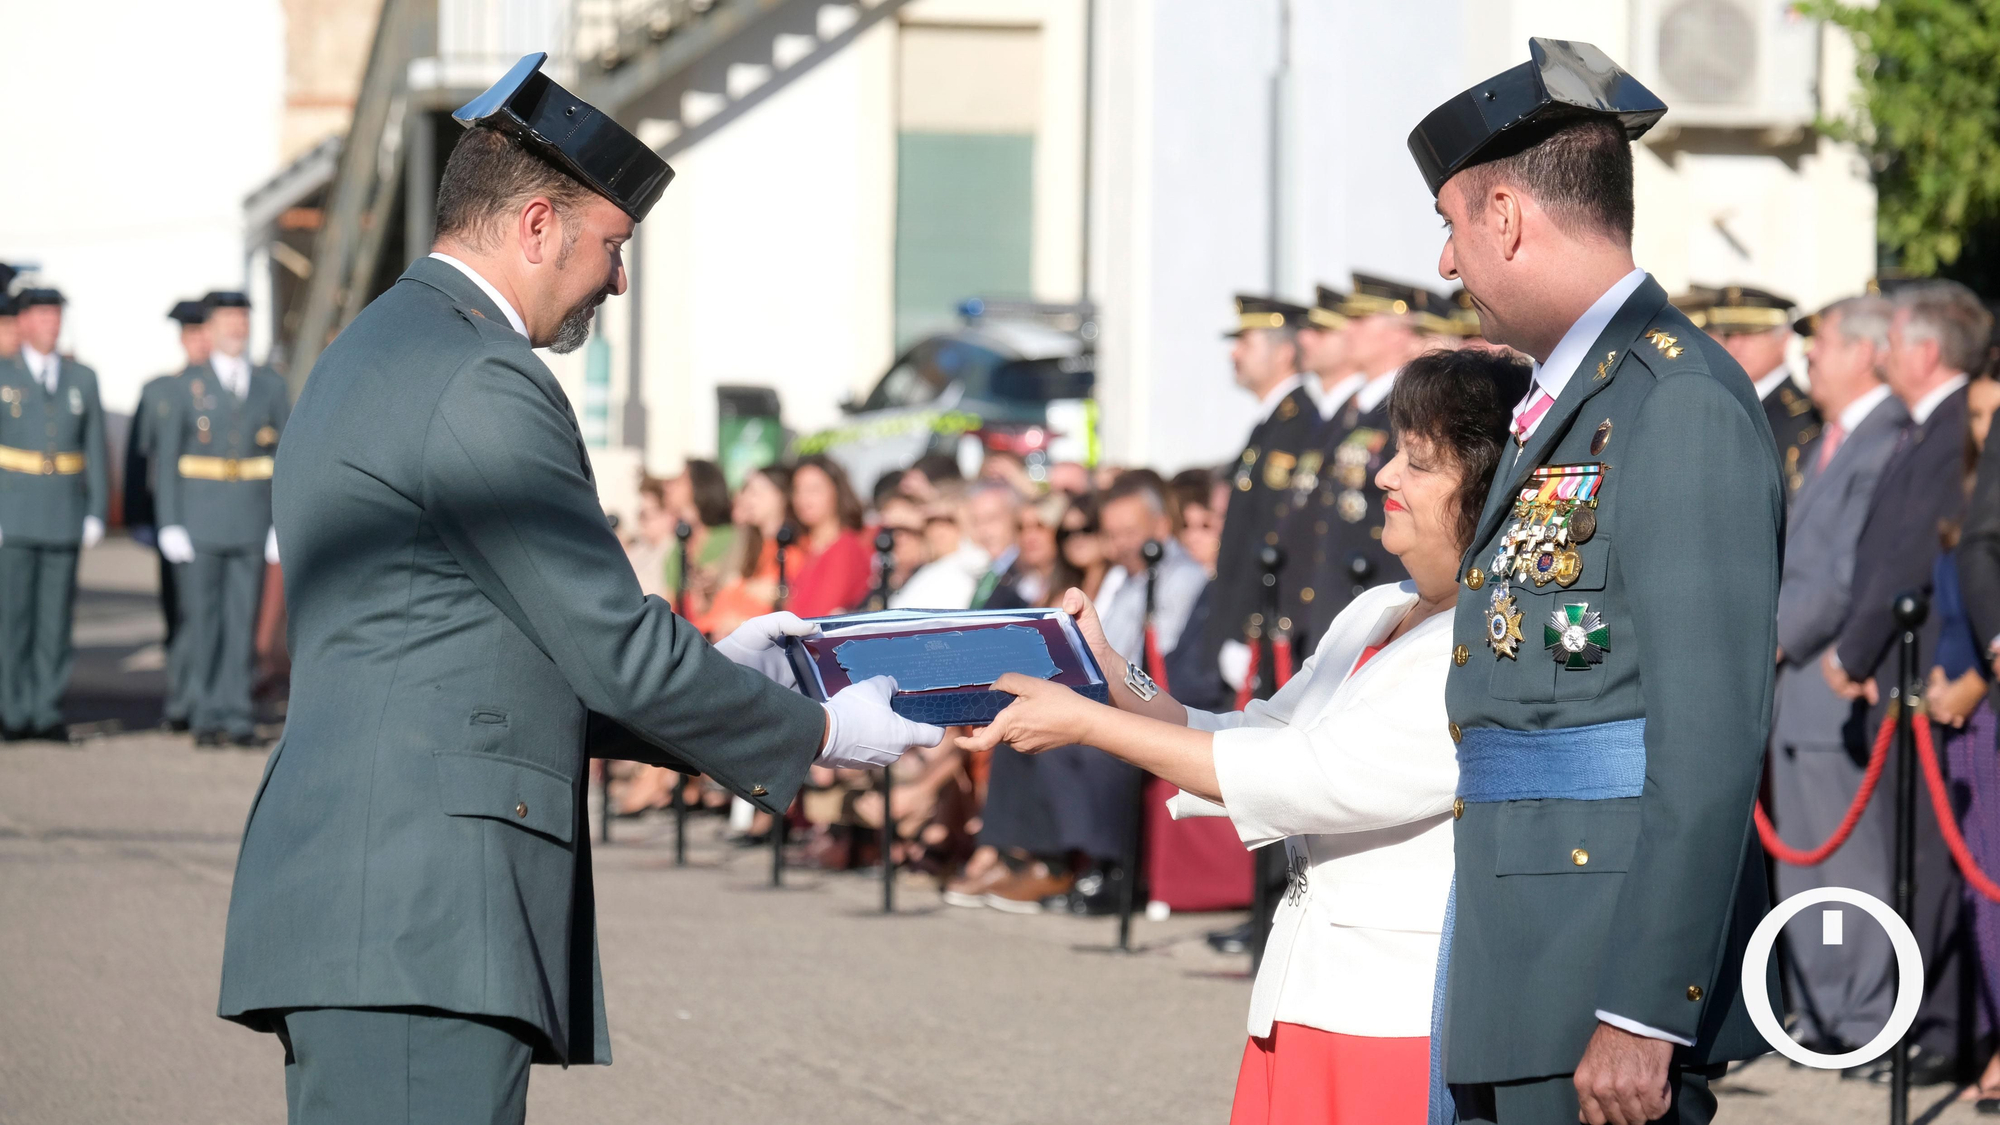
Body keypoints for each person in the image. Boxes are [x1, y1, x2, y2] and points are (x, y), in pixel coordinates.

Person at [214, 55, 940, 1122]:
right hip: (422, 914)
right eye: (612, 246)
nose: (617, 279)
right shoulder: (482, 376)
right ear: (539, 225)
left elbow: (474, 649)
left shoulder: (379, 344)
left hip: (376, 903)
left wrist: (719, 673)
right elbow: (607, 640)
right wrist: (818, 732)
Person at [962, 351, 1522, 1123]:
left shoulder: (1484, 644)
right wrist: (1114, 674)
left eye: (1417, 462)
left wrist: (1090, 723)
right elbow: (1251, 730)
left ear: (1489, 489)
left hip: (1393, 1013)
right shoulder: (1378, 608)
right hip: (1305, 990)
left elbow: (1308, 775)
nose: (1385, 476)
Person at [1413, 38, 1781, 1123]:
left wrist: (1644, 1005)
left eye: (1448, 225)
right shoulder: (1571, 397)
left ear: (1506, 217)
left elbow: (1708, 733)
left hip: (1595, 966)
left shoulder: (1678, 405)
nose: (1444, 263)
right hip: (1523, 939)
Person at [1826, 279, 1993, 1084]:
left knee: (1935, 859)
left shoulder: (1958, 422)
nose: (1883, 353)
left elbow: (1912, 559)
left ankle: (1944, 1028)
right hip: (1905, 664)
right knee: (1913, 859)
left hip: (1934, 663)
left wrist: (1853, 654)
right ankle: (1921, 1019)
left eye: (1893, 340)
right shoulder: (1924, 426)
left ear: (1926, 350)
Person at [1764, 295, 1905, 1060]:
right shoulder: (1831, 439)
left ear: (1866, 353)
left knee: (1848, 864)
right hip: (1799, 687)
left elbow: (1847, 577)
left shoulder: (1884, 439)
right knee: (1806, 861)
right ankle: (1823, 1013)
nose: (1807, 356)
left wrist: (1763, 642)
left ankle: (1861, 1017)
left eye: (1823, 344)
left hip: (1829, 677)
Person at [970, 473, 1209, 913]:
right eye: (1112, 534)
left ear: (1159, 527)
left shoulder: (1179, 579)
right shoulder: (1130, 577)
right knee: (1020, 728)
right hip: (1114, 689)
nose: (1118, 544)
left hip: (1158, 699)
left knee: (1081, 744)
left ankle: (1104, 868)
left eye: (1129, 533)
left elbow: (1164, 663)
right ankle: (1023, 853)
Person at [154, 291, 289, 748]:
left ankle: (237, 714)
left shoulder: (270, 386)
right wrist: (169, 522)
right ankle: (205, 712)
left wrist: (278, 522)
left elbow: (283, 457)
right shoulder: (185, 386)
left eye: (242, 319)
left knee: (242, 621)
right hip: (201, 518)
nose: (237, 328)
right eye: (228, 319)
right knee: (204, 619)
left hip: (250, 519)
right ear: (208, 329)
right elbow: (169, 459)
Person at [1931, 367, 2000, 1108]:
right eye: (1978, 414)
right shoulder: (1969, 490)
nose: (1986, 428)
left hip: (1983, 693)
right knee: (1984, 883)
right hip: (1961, 708)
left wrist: (1981, 677)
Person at [0, 287, 108, 743]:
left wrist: (97, 509)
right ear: (22, 322)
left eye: (54, 315)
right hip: (15, 510)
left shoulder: (81, 378)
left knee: (55, 619)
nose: (49, 323)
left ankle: (46, 708)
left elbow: (96, 449)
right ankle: (12, 708)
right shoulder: (4, 374)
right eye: (41, 315)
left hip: (64, 509)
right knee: (13, 616)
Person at [127, 299, 211, 732]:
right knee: (177, 613)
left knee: (213, 615)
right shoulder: (161, 390)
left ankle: (205, 698)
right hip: (173, 518)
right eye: (192, 334)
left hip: (217, 518)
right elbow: (140, 459)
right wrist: (140, 518)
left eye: (204, 333)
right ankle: (181, 697)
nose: (199, 342)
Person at [1696, 285, 1823, 495]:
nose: (1735, 344)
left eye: (1749, 333)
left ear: (1784, 339)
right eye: (1728, 334)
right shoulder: (1714, 405)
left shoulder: (1804, 419)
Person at [701, 463, 789, 637]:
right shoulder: (753, 543)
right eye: (747, 491)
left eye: (756, 492)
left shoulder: (790, 549)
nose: (747, 499)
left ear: (781, 496)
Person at [786, 453, 872, 616]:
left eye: (814, 490)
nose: (803, 498)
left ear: (836, 491)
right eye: (798, 490)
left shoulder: (846, 548)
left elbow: (818, 614)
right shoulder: (802, 545)